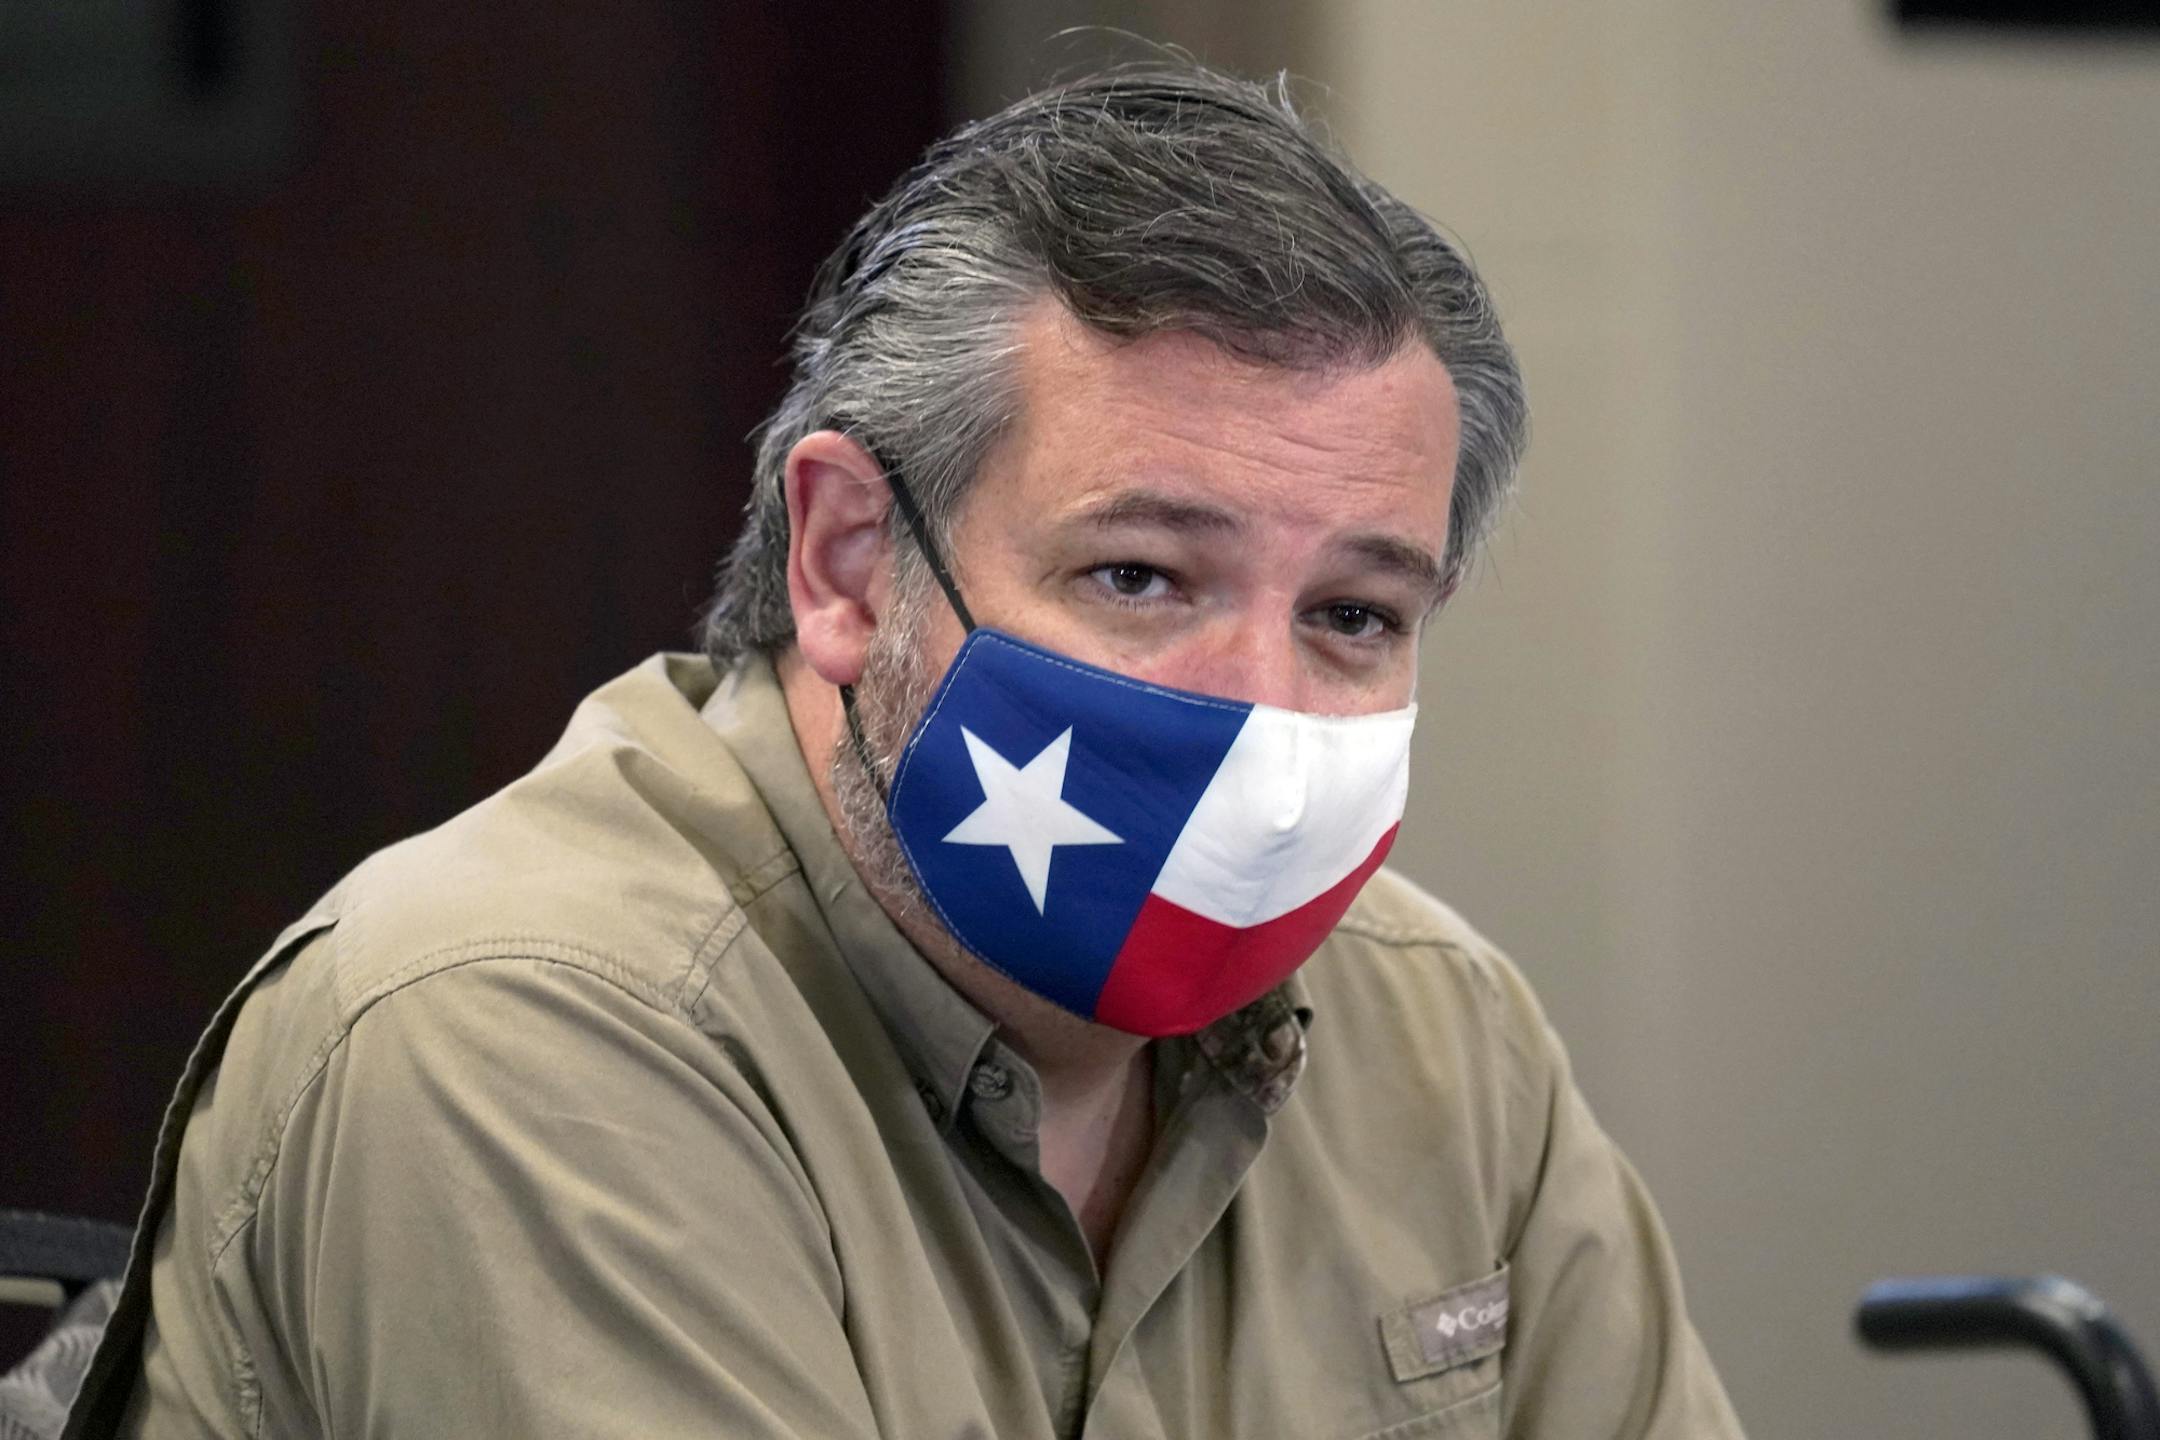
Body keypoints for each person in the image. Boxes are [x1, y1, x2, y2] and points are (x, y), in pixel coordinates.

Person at [81, 63, 1743, 1439]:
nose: (1260, 712)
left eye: (1356, 616)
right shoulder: (511, 1030)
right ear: (851, 566)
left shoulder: (1440, 1031)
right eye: (1142, 579)